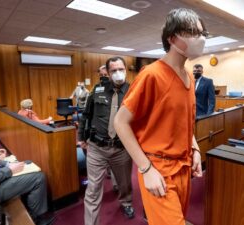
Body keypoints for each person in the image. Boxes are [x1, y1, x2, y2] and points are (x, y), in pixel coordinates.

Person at [114, 8, 204, 225]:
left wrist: (195, 148)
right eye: (193, 33)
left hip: (183, 166)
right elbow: (120, 122)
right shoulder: (151, 74)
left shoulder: (190, 77)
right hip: (158, 169)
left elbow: (185, 122)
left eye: (202, 33)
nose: (200, 39)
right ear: (172, 38)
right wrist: (145, 169)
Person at [78, 56, 134, 225]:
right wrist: (81, 137)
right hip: (97, 147)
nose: (118, 73)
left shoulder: (134, 91)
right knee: (93, 189)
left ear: (126, 70)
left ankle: (126, 202)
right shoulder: (98, 90)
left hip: (122, 148)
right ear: (108, 73)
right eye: (114, 70)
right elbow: (86, 115)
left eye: (121, 69)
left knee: (124, 183)